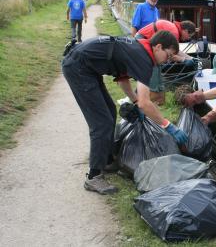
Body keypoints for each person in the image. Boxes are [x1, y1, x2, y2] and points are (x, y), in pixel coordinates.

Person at [62, 30, 188, 195]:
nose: (167, 61)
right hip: (78, 68)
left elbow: (123, 79)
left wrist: (135, 100)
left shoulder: (139, 48)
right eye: (168, 55)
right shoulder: (144, 59)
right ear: (158, 47)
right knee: (101, 123)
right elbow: (145, 102)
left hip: (87, 67)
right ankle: (94, 177)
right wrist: (168, 125)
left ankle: (106, 160)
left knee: (109, 111)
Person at [136, 19, 197, 104]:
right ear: (185, 31)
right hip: (143, 41)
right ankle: (151, 99)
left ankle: (149, 97)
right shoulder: (174, 32)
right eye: (189, 36)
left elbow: (173, 52)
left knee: (156, 71)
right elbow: (172, 54)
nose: (188, 38)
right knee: (154, 70)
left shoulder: (173, 28)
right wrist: (185, 59)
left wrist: (189, 58)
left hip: (144, 39)